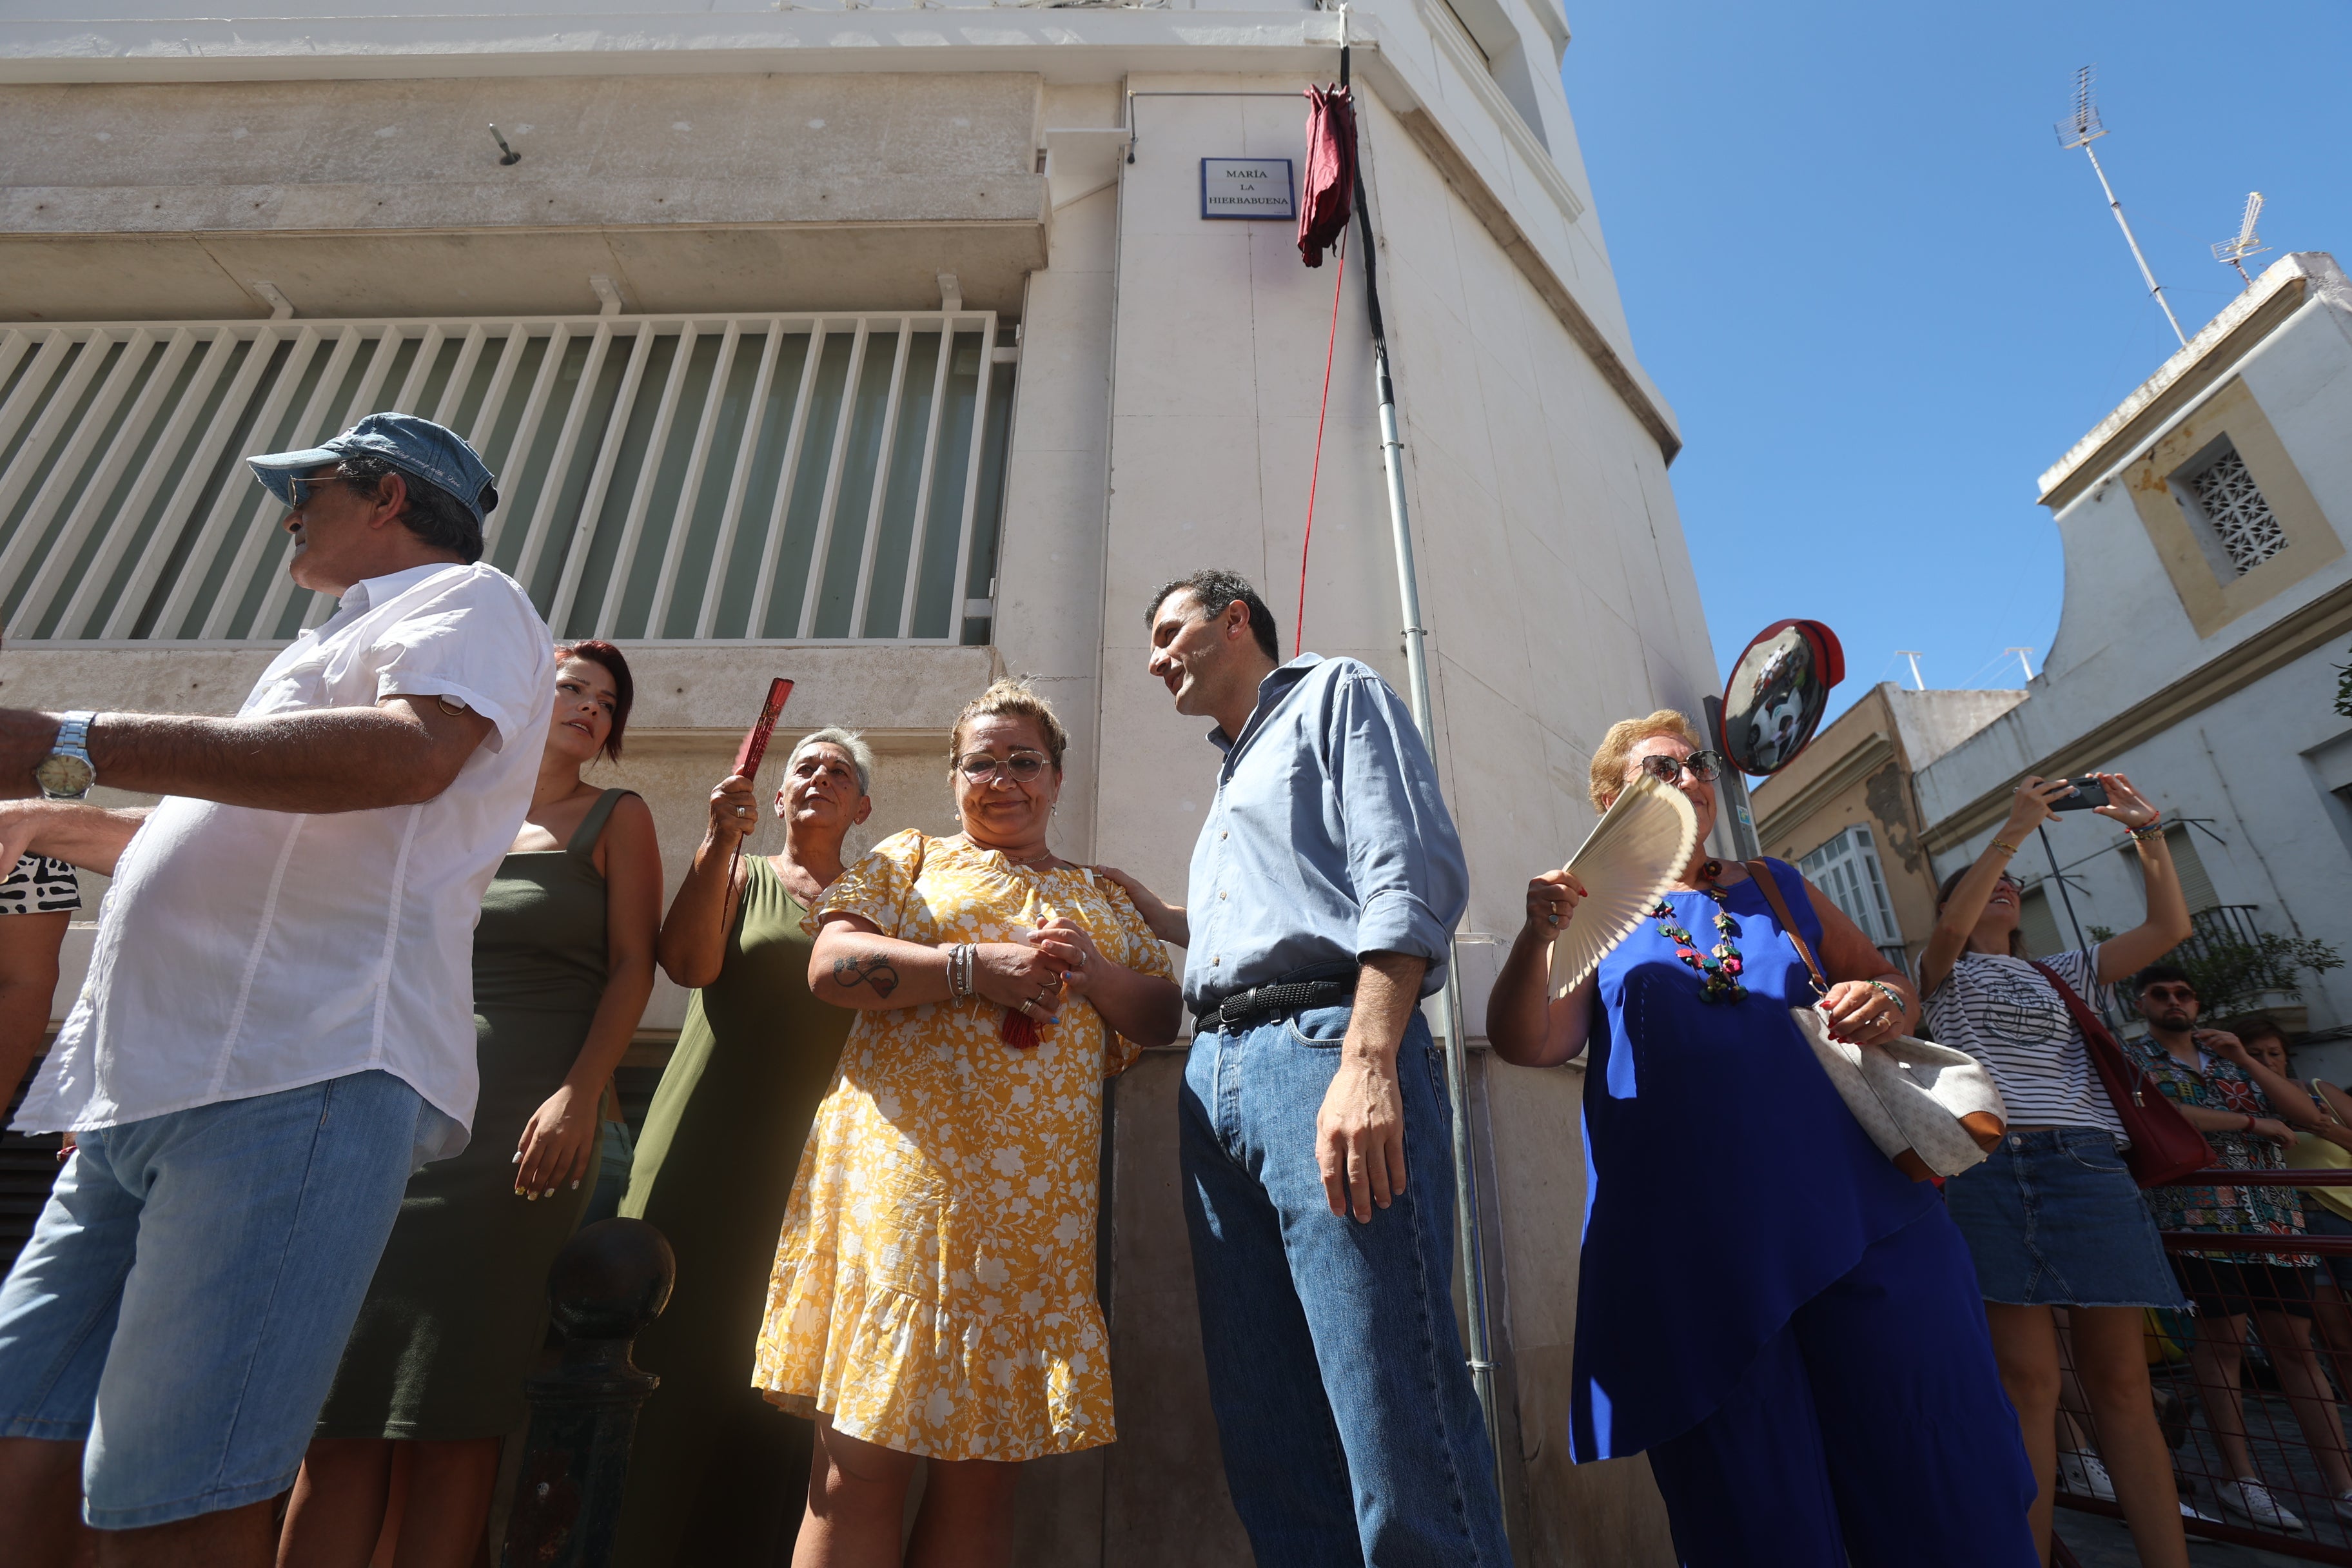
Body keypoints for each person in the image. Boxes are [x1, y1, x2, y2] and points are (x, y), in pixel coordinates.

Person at [0, 413, 553, 1568]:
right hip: (144, 1098)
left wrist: (73, 737)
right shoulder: (327, 643)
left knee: (176, 1496)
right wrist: (47, 813)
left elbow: (407, 757)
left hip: (291, 1077)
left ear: (388, 496)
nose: (289, 513)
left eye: (309, 488)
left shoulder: (471, 600)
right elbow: (216, 843)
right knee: (23, 1436)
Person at [1484, 709, 2036, 1567]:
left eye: (1697, 763)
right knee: (1753, 1506)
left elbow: (1889, 981)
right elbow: (1530, 1042)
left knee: (1931, 1463)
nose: (1688, 778)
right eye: (1660, 768)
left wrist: (1886, 1002)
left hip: (1862, 1217)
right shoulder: (1592, 911)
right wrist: (1538, 935)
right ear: (1611, 802)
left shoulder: (1778, 884)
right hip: (1693, 1247)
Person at [1117, 569, 1512, 1565]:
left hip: (1320, 1053)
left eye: (1168, 633)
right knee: (1272, 1430)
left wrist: (1368, 1060)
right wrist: (1162, 917)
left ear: (1234, 620)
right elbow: (1277, 911)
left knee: (1389, 1400)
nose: (1155, 660)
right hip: (1215, 1077)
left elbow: (1406, 874)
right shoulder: (1231, 774)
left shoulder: (1334, 692)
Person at [760, 680, 1180, 1567]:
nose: (1003, 779)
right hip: (903, 1201)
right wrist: (970, 967)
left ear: (1057, 777)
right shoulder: (909, 859)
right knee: (858, 1470)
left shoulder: (1101, 896)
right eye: (980, 763)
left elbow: (1159, 1015)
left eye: (1024, 761)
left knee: (981, 1483)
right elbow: (831, 963)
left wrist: (1096, 973)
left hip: (1030, 1229)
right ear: (954, 779)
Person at [277, 641, 661, 1568]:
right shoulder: (443, 807)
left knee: (457, 1410)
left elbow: (633, 968)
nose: (590, 707)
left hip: (523, 1142)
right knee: (339, 1412)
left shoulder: (617, 816)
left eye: (608, 702)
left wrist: (579, 1093)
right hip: (396, 1116)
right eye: (571, 686)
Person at [609, 728, 875, 1568]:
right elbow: (687, 963)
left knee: (770, 1400)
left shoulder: (877, 905)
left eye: (840, 771)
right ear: (780, 793)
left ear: (863, 807)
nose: (821, 776)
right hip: (702, 1160)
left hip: (813, 1187)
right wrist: (720, 839)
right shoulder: (741, 872)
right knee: (663, 1376)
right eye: (806, 766)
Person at [1921, 772, 2197, 1566]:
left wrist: (2147, 830)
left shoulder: (2063, 970)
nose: (2005, 885)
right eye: (1986, 882)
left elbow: (2169, 926)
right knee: (2029, 1384)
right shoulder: (1939, 970)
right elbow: (1949, 930)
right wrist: (2014, 827)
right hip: (1988, 1170)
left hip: (2085, 1163)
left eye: (2013, 882)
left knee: (2122, 1384)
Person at [2128, 964, 2352, 1531]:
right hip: (2199, 1221)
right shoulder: (2134, 1060)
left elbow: (2308, 1117)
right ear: (2141, 1003)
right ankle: (2240, 1478)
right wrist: (2250, 1124)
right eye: (2161, 993)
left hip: (2276, 1223)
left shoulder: (2232, 1057)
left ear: (2198, 1003)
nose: (2174, 1001)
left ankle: (2343, 1484)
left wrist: (2248, 1060)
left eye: (2184, 993)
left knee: (2297, 1350)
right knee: (2221, 1345)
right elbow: (2155, 1116)